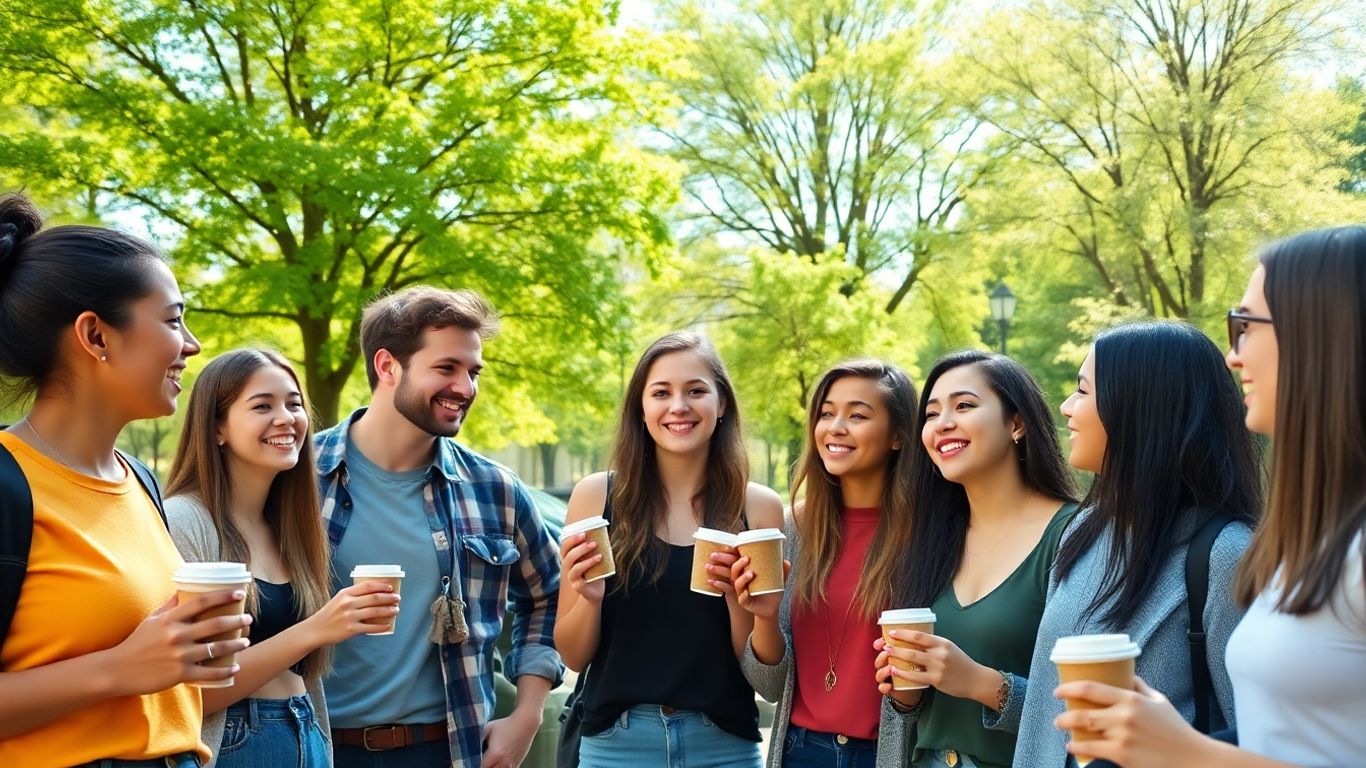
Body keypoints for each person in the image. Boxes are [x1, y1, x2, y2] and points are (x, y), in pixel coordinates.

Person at [1052, 227, 1366, 767]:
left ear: (1321, 334)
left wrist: (1188, 753)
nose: (1231, 356)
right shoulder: (1309, 542)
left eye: (1244, 326)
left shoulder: (1234, 551)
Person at [0, 193, 248, 767]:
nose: (192, 345)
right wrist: (119, 669)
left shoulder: (139, 480)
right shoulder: (9, 482)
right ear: (96, 336)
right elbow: (126, 666)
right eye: (172, 319)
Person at [314, 286, 562, 767]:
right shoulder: (296, 479)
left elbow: (548, 596)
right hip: (317, 747)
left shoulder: (495, 489)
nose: (466, 389)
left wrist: (528, 713)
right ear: (387, 367)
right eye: (446, 368)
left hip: (447, 749)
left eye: (473, 373)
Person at [1003, 321, 1262, 767]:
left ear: (1142, 410)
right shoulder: (1082, 530)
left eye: (1082, 391)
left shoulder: (1225, 555)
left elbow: (1262, 739)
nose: (1066, 407)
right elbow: (1054, 706)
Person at [163, 348, 402, 767]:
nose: (286, 418)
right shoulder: (185, 520)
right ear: (217, 426)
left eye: (294, 404)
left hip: (304, 729)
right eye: (262, 406)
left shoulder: (291, 527)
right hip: (235, 743)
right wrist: (316, 629)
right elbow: (189, 695)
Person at [556, 331, 783, 768]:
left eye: (696, 391)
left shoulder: (758, 507)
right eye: (661, 392)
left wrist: (744, 604)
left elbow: (766, 678)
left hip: (724, 747)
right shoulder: (596, 497)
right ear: (641, 410)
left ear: (722, 406)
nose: (678, 406)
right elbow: (571, 655)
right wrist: (589, 600)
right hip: (615, 746)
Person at [871, 351, 1078, 768]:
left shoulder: (1076, 535)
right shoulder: (928, 539)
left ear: (1016, 423)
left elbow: (1088, 710)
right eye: (931, 413)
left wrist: (983, 684)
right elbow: (911, 712)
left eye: (964, 406)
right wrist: (905, 692)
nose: (943, 423)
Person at [733, 359, 918, 768]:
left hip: (886, 756)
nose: (835, 427)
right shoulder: (792, 528)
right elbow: (769, 687)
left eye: (857, 415)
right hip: (800, 750)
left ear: (899, 435)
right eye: (826, 413)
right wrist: (763, 617)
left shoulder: (927, 537)